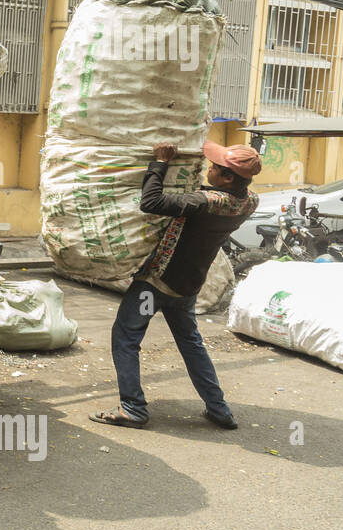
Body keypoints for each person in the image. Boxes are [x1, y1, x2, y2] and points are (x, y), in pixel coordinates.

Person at [90, 141, 262, 431]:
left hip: (155, 284)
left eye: (215, 168)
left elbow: (151, 203)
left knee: (126, 337)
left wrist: (160, 162)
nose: (209, 168)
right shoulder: (250, 201)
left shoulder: (203, 203)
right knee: (191, 344)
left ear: (229, 178)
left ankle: (133, 408)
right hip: (188, 286)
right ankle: (219, 410)